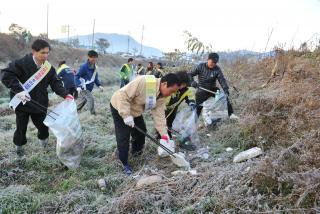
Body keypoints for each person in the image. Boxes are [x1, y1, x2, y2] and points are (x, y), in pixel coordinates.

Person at [1, 39, 74, 157]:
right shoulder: (22, 63)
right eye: (42, 53)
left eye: (47, 53)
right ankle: (19, 148)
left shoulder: (48, 68)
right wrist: (19, 91)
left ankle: (44, 144)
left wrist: (65, 94)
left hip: (39, 103)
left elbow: (55, 83)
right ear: (34, 51)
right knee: (21, 128)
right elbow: (6, 75)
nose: (45, 56)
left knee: (43, 127)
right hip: (22, 103)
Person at [110, 73, 180, 175]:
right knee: (123, 137)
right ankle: (123, 163)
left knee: (141, 132)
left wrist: (164, 135)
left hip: (135, 110)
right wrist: (126, 115)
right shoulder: (144, 82)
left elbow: (159, 116)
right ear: (164, 84)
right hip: (120, 106)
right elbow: (122, 95)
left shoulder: (161, 96)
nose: (171, 94)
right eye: (172, 91)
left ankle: (136, 154)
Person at [189, 52, 239, 120]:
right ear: (208, 59)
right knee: (197, 108)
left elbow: (222, 80)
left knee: (224, 97)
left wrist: (226, 89)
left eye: (215, 62)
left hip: (213, 90)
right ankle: (193, 122)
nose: (214, 64)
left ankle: (231, 114)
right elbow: (189, 74)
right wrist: (192, 82)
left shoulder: (217, 69)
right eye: (212, 62)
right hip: (201, 90)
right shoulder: (200, 66)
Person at [164, 71, 197, 150]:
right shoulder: (171, 86)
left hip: (173, 109)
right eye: (181, 84)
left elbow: (190, 96)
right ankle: (162, 140)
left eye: (184, 85)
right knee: (162, 124)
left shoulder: (187, 89)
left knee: (170, 123)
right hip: (163, 108)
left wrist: (192, 103)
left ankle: (170, 139)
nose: (181, 86)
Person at [75, 50, 103, 115]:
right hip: (83, 87)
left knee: (83, 101)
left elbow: (95, 77)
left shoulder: (95, 67)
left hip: (89, 88)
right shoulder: (84, 66)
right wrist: (78, 86)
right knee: (90, 99)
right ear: (88, 57)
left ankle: (75, 111)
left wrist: (99, 85)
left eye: (95, 57)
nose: (94, 59)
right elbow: (76, 76)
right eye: (92, 57)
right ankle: (93, 114)